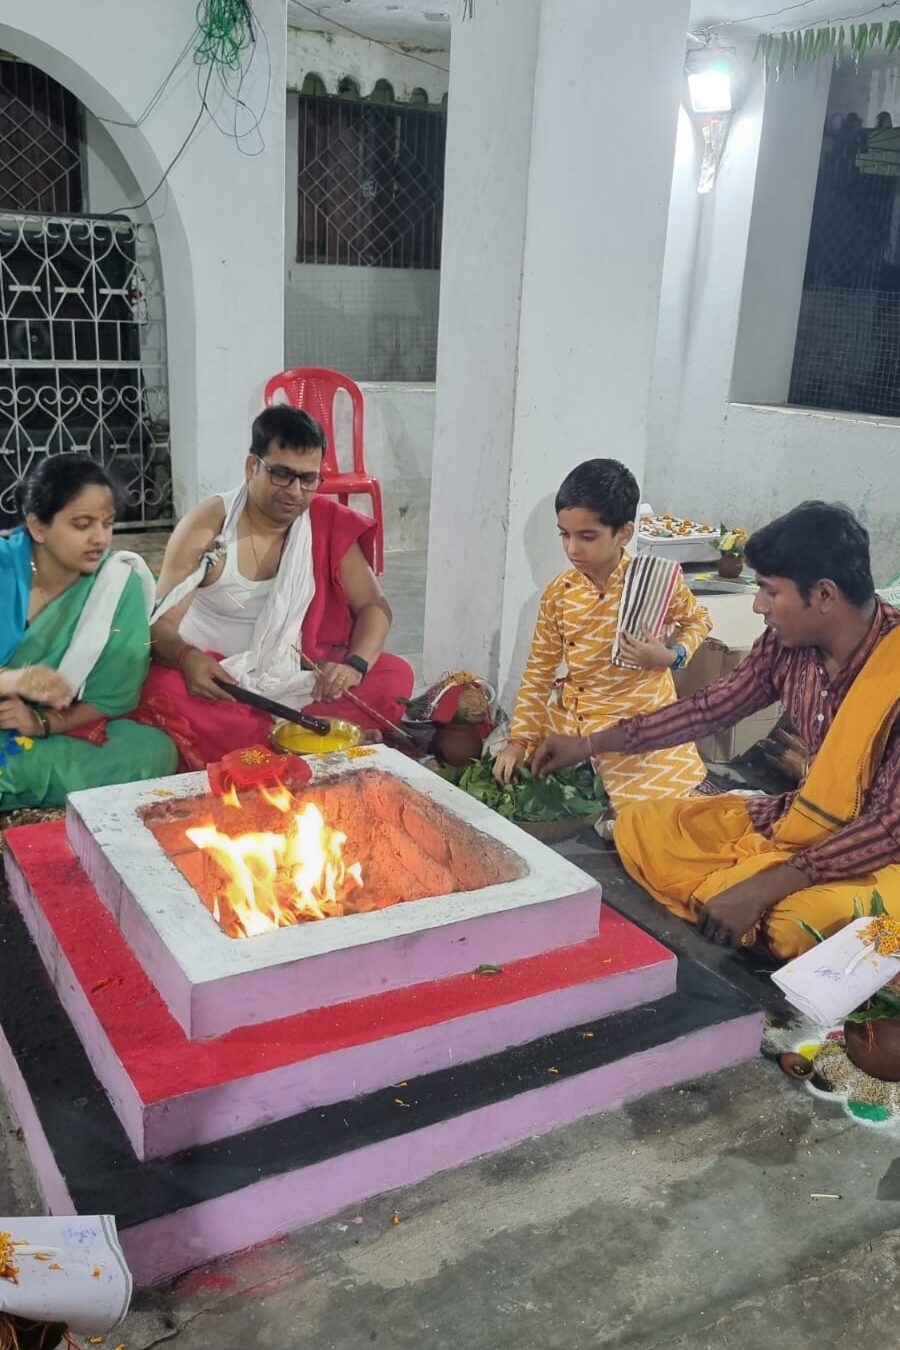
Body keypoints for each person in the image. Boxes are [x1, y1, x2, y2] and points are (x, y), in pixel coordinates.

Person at [532, 501, 900, 960]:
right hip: (801, 821)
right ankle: (742, 889)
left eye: (769, 591)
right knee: (642, 825)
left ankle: (750, 892)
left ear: (824, 596)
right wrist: (588, 743)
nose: (757, 605)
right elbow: (709, 710)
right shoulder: (788, 645)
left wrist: (765, 886)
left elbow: (888, 828)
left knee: (793, 926)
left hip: (881, 856)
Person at [141, 406, 413, 769]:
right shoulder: (207, 528)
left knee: (395, 675)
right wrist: (188, 659)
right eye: (282, 475)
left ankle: (280, 744)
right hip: (220, 681)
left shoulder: (323, 522)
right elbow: (158, 626)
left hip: (296, 677)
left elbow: (374, 607)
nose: (296, 492)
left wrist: (354, 665)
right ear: (252, 467)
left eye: (308, 479)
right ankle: (319, 739)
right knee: (163, 692)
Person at [492, 459, 711, 812]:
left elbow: (698, 621)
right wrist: (518, 741)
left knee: (651, 814)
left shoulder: (653, 581)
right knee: (510, 765)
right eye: (564, 534)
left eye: (587, 536)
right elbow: (539, 672)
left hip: (639, 719)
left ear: (624, 532)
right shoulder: (559, 594)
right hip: (576, 715)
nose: (572, 549)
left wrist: (672, 656)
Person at [0, 455, 177, 810]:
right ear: (38, 527)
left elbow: (112, 698)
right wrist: (16, 681)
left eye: (107, 524)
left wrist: (40, 721)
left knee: (154, 751)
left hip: (46, 735)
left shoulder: (116, 584)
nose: (100, 538)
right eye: (82, 524)